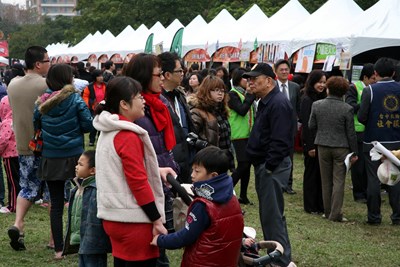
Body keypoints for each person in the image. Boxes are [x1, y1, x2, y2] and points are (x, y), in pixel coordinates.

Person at [93, 76, 169, 266]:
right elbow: (138, 182)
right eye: (139, 97)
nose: (143, 101)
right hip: (133, 220)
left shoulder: (108, 129)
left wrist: (155, 170)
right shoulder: (127, 135)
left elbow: (117, 168)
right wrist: (156, 219)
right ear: (124, 104)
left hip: (113, 216)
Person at [34, 63, 93, 259]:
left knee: (56, 203)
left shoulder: (42, 101)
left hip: (51, 157)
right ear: (68, 79)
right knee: (83, 200)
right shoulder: (75, 99)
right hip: (75, 156)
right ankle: (83, 243)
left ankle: (58, 249)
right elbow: (87, 125)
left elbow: (37, 124)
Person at [124, 53, 178, 267]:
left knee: (159, 247)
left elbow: (166, 145)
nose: (163, 79)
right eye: (158, 74)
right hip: (147, 189)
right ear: (144, 76)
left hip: (163, 183)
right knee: (154, 252)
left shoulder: (159, 103)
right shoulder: (136, 110)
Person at [151, 146, 244, 267]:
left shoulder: (203, 206)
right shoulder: (231, 197)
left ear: (213, 175)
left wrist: (160, 240)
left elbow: (185, 237)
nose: (192, 175)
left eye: (197, 171)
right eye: (193, 169)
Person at [244, 63, 296, 267]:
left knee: (272, 216)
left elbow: (281, 139)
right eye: (249, 78)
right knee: (270, 215)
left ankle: (279, 261)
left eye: (254, 78)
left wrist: (269, 166)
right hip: (266, 164)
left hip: (271, 166)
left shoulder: (278, 103)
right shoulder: (266, 100)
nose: (250, 82)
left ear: (268, 80)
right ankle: (279, 257)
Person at [7, 46, 51, 251]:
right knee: (52, 190)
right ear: (38, 64)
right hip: (48, 144)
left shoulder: (13, 85)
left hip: (24, 144)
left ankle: (18, 223)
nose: (50, 64)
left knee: (27, 186)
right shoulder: (46, 85)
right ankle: (54, 237)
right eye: (48, 60)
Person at [309, 76, 358, 222]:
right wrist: (354, 151)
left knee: (325, 180)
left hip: (322, 145)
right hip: (341, 147)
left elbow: (311, 125)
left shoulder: (317, 105)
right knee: (339, 180)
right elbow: (351, 132)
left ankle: (327, 210)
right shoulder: (347, 108)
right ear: (344, 92)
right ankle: (335, 214)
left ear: (328, 88)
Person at [358, 57, 400, 226]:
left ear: (375, 73)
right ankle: (397, 216)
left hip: (373, 143)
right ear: (394, 72)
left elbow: (361, 117)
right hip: (397, 141)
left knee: (374, 179)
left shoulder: (370, 91)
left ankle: (374, 217)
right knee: (396, 178)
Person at [62, 150, 111, 266]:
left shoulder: (97, 191)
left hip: (94, 243)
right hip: (82, 242)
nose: (76, 167)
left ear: (93, 170)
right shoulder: (77, 189)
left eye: (80, 164)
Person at [158, 52, 195, 183]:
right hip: (168, 163)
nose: (183, 73)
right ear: (167, 75)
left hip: (186, 160)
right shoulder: (156, 102)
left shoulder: (179, 96)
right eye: (179, 70)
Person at [189, 75, 235, 171]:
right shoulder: (198, 111)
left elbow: (225, 139)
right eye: (216, 90)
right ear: (207, 91)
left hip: (222, 160)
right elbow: (190, 137)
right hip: (207, 162)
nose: (220, 93)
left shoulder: (221, 111)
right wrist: (205, 145)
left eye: (222, 91)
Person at [345, 63, 376, 203]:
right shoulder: (354, 88)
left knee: (369, 163)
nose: (375, 81)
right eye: (373, 78)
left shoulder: (374, 89)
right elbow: (350, 106)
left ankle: (368, 190)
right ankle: (359, 194)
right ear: (365, 77)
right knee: (358, 165)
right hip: (357, 130)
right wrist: (364, 105)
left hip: (371, 130)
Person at [299, 70, 326, 215]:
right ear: (312, 82)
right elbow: (306, 125)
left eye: (323, 82)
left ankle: (319, 204)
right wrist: (310, 146)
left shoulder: (322, 97)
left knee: (320, 175)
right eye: (319, 82)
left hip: (321, 141)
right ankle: (310, 205)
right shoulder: (307, 99)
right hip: (311, 142)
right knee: (311, 174)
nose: (322, 85)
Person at [228, 67, 256, 205]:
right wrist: (251, 96)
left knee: (247, 164)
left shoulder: (245, 94)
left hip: (247, 134)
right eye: (246, 78)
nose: (249, 81)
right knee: (243, 164)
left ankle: (243, 196)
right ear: (238, 79)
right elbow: (242, 110)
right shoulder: (232, 94)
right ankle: (227, 190)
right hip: (238, 134)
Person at [274, 59, 301, 195]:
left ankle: (288, 184)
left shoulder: (295, 87)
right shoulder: (271, 86)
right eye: (281, 70)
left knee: (289, 158)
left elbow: (298, 108)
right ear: (276, 72)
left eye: (286, 69)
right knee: (276, 155)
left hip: (290, 128)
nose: (284, 72)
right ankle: (277, 181)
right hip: (275, 127)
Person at [0, 96, 20, 214]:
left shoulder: (7, 122)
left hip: (9, 155)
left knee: (12, 181)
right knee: (19, 179)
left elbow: (3, 140)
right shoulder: (19, 120)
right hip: (20, 153)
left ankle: (13, 205)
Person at [82, 69, 106, 146]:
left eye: (102, 75)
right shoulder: (90, 87)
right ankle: (91, 140)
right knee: (94, 125)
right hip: (93, 108)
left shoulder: (106, 85)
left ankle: (100, 140)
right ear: (95, 77)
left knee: (102, 125)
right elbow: (85, 96)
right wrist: (88, 105)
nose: (101, 77)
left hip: (104, 108)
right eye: (99, 76)